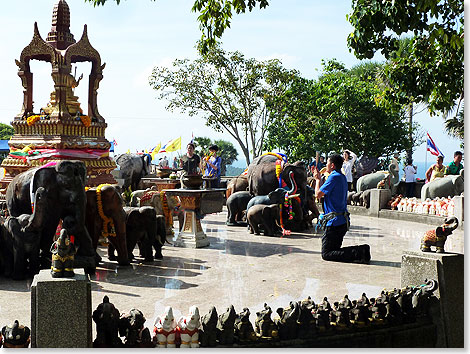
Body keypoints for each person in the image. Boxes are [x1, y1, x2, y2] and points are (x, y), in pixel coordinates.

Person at [313, 153, 371, 264]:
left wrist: (317, 180)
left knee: (327, 254)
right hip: (341, 221)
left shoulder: (333, 177)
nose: (326, 165)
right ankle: (361, 251)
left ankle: (360, 251)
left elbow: (318, 194)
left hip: (334, 223)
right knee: (333, 250)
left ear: (333, 165)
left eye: (328, 163)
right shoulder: (341, 177)